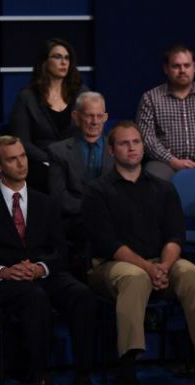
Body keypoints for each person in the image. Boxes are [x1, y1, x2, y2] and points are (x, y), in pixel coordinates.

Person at [83, 121, 195, 385]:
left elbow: (175, 235)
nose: (132, 147)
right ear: (111, 151)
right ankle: (127, 372)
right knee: (134, 278)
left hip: (159, 262)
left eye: (136, 142)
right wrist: (149, 269)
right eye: (124, 143)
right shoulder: (97, 191)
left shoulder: (163, 188)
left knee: (193, 274)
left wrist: (162, 266)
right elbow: (109, 245)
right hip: (111, 265)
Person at [0, 136, 99, 385]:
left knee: (82, 295)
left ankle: (83, 376)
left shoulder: (46, 203)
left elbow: (61, 251)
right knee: (34, 298)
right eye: (12, 159)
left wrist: (40, 267)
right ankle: (42, 379)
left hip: (42, 274)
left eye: (23, 156)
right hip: (1, 283)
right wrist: (5, 271)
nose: (21, 163)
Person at [136, 43, 195, 181]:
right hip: (165, 164)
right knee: (153, 175)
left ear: (194, 68)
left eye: (187, 65)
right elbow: (146, 138)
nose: (182, 70)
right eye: (176, 66)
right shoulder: (150, 98)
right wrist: (173, 161)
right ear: (166, 69)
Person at [9, 38, 85, 193]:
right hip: (41, 162)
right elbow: (21, 140)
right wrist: (50, 159)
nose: (63, 62)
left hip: (76, 160)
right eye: (57, 57)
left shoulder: (81, 94)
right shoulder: (27, 97)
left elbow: (91, 131)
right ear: (44, 62)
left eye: (67, 58)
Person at [48, 91, 112, 269]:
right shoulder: (58, 151)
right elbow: (58, 197)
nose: (95, 121)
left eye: (100, 116)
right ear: (76, 117)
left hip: (112, 219)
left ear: (106, 118)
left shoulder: (117, 149)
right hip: (74, 220)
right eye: (89, 116)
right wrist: (92, 209)